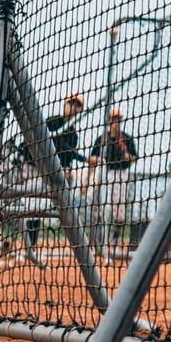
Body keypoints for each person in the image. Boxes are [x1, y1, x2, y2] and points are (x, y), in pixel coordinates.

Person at [22, 93, 86, 254]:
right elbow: (58, 145)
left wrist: (68, 169)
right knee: (32, 208)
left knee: (42, 209)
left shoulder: (73, 135)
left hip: (50, 175)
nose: (73, 108)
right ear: (65, 104)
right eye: (71, 103)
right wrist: (82, 158)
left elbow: (66, 157)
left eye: (77, 105)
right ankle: (30, 246)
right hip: (34, 168)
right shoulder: (52, 122)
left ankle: (34, 246)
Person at [88, 107, 138, 258]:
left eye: (118, 120)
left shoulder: (126, 139)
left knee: (119, 214)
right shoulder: (102, 139)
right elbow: (92, 159)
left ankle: (114, 245)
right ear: (109, 121)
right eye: (113, 120)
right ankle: (95, 246)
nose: (116, 123)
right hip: (104, 175)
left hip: (121, 175)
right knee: (101, 212)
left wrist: (125, 155)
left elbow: (134, 158)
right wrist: (87, 180)